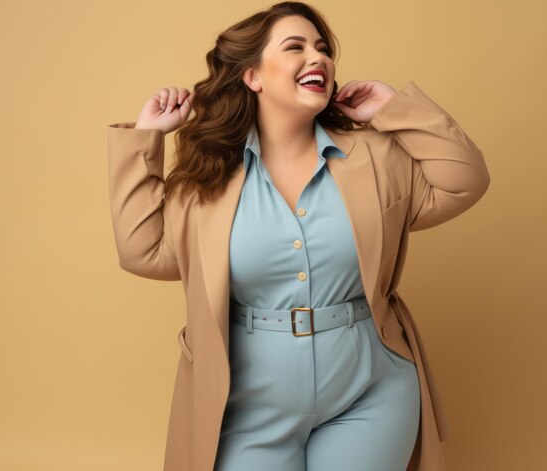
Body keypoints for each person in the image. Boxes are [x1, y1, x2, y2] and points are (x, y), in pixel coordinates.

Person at [106, 2, 490, 470]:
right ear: (253, 76)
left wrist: (393, 108)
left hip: (369, 392)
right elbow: (142, 251)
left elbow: (463, 179)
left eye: (323, 49)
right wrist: (146, 137)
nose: (319, 58)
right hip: (245, 406)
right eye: (296, 47)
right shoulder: (206, 178)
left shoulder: (375, 157)